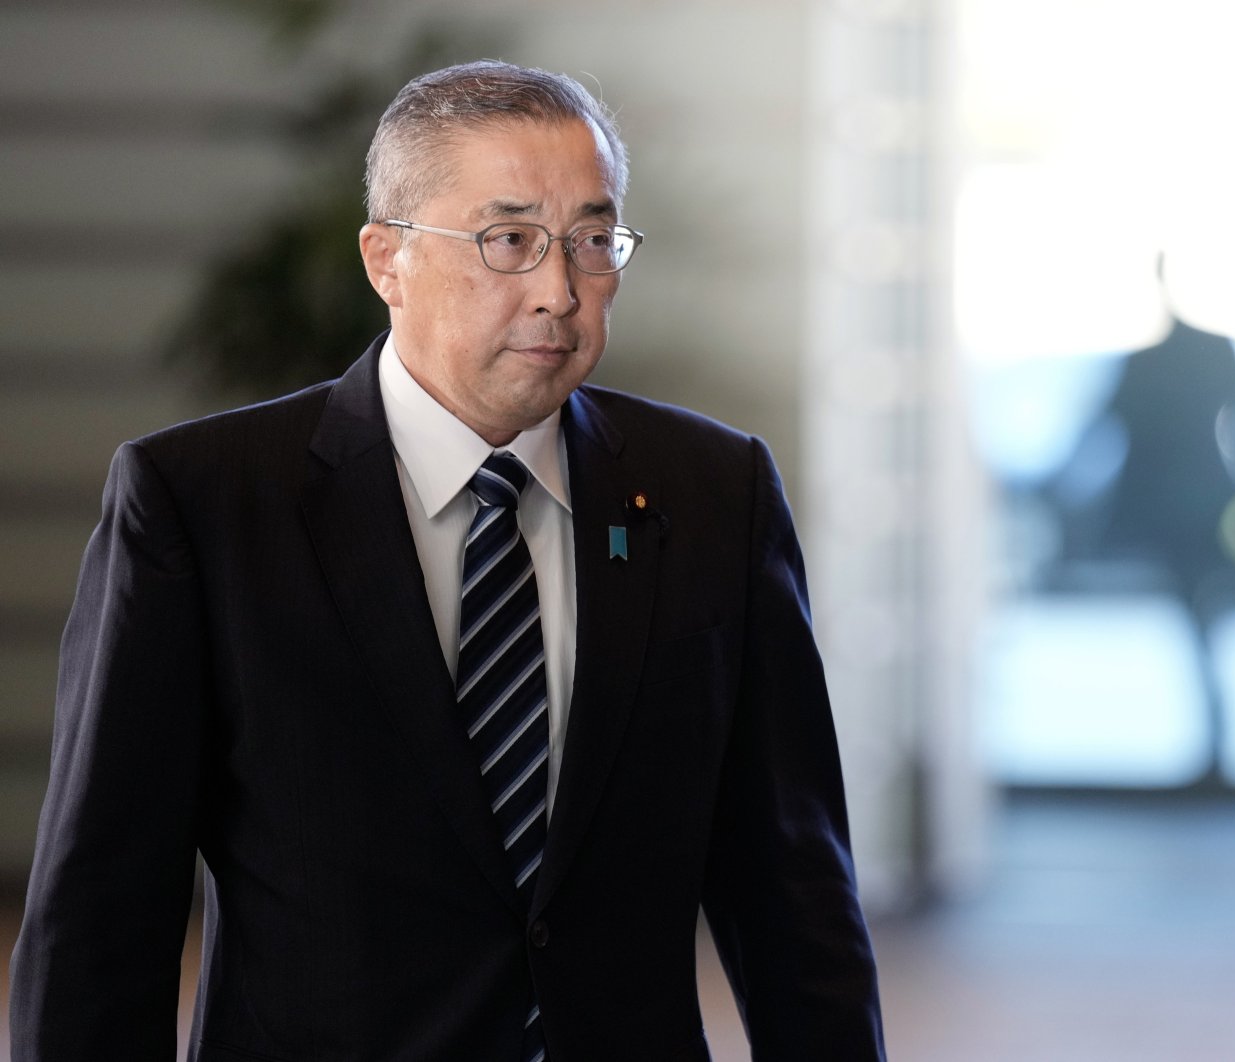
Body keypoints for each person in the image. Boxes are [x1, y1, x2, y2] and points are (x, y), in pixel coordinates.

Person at [9, 60, 885, 1061]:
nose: (559, 291)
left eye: (593, 241)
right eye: (510, 240)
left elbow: (793, 889)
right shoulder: (204, 504)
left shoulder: (713, 494)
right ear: (387, 261)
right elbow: (101, 916)